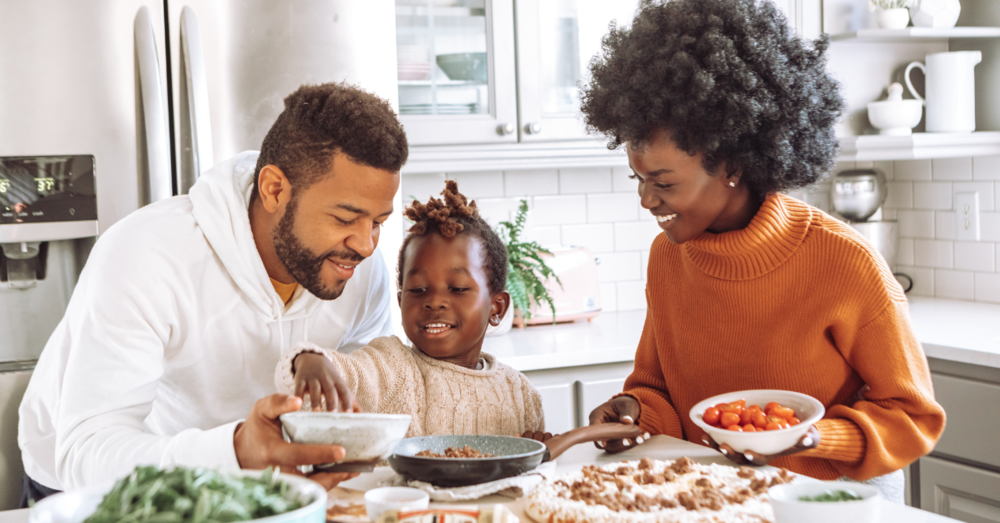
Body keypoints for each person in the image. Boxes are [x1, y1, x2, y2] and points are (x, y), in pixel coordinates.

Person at [582, 0, 945, 503]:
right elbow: (657, 389)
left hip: (833, 495)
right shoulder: (668, 259)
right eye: (638, 179)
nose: (645, 200)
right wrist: (630, 409)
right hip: (718, 490)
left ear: (730, 163)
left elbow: (911, 415)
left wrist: (808, 436)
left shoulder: (842, 261)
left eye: (662, 182)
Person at [17, 82, 408, 506]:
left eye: (379, 222)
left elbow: (358, 390)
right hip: (96, 494)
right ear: (274, 189)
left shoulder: (358, 271)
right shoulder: (146, 255)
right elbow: (85, 451)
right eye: (345, 218)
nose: (367, 245)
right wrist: (236, 450)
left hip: (256, 490)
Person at [274, 181, 547, 438]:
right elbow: (342, 374)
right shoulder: (390, 367)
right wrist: (307, 360)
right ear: (401, 300)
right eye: (418, 290)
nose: (435, 301)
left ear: (496, 308)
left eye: (458, 288)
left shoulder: (521, 394)